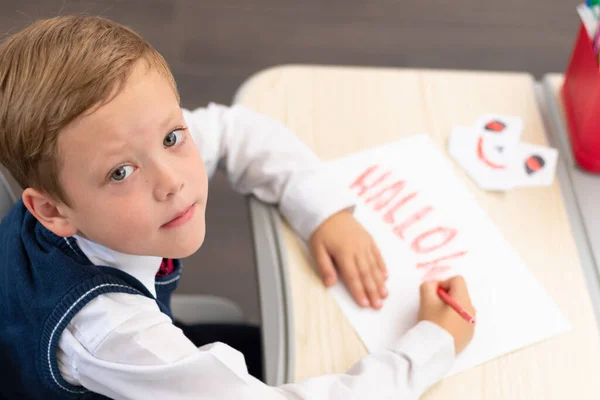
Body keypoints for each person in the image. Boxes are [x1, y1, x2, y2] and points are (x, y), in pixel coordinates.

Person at [0, 15, 475, 399]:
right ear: (51, 213)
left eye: (172, 137)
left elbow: (234, 129)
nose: (172, 181)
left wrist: (324, 210)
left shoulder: (109, 157)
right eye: (120, 173)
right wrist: (432, 346)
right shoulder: (115, 333)